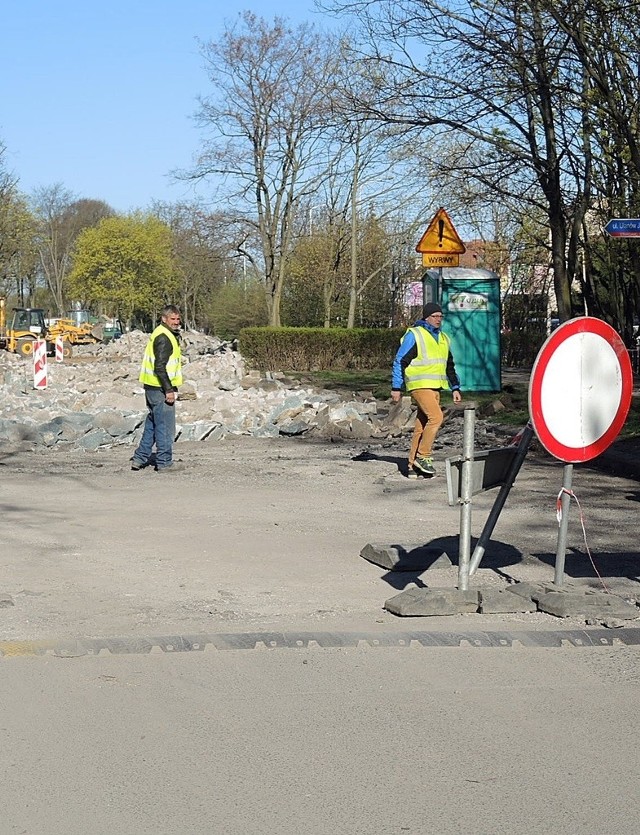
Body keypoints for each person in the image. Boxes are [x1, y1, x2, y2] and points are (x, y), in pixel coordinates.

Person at [391, 302, 462, 477]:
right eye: (435, 316)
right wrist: (396, 386)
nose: (438, 319)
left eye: (440, 316)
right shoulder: (415, 335)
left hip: (435, 387)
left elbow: (449, 365)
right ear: (426, 317)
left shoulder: (444, 338)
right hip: (419, 385)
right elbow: (400, 360)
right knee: (436, 417)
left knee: (422, 425)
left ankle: (411, 465)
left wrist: (455, 387)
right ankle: (424, 456)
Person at [131, 304, 183, 472]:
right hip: (160, 388)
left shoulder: (161, 333)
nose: (176, 322)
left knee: (153, 424)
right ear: (164, 319)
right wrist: (169, 390)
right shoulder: (164, 337)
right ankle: (164, 461)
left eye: (177, 319)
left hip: (152, 387)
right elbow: (160, 367)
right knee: (165, 426)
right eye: (172, 319)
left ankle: (140, 458)